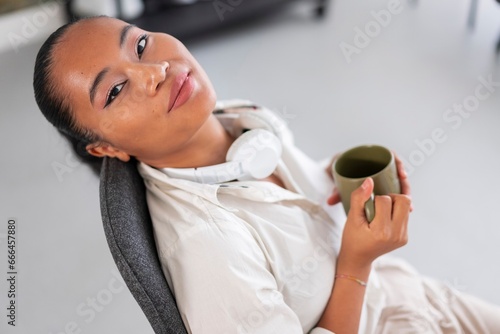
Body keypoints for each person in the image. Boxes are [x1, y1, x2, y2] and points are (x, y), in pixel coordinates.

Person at [33, 16, 500, 334]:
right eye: (115, 90)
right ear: (106, 148)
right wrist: (356, 265)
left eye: (139, 43)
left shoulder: (232, 117)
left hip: (406, 290)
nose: (155, 70)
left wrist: (334, 175)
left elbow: (280, 190)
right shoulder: (207, 249)